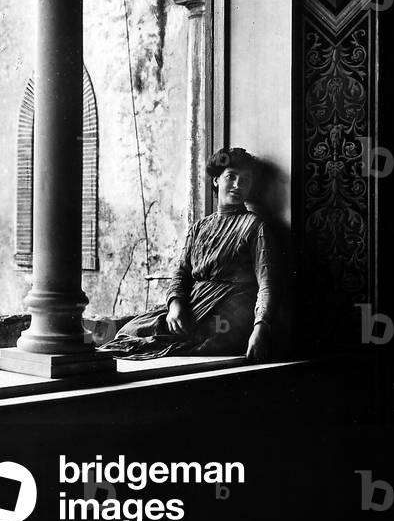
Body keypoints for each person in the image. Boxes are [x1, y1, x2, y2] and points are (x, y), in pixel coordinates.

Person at [98, 147, 279, 362]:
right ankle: (107, 327)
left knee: (188, 337)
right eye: (231, 177)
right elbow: (181, 272)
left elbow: (267, 283)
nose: (238, 185)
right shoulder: (199, 228)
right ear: (216, 180)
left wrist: (260, 328)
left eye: (246, 180)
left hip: (230, 312)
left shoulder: (254, 226)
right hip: (195, 304)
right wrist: (175, 305)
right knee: (132, 330)